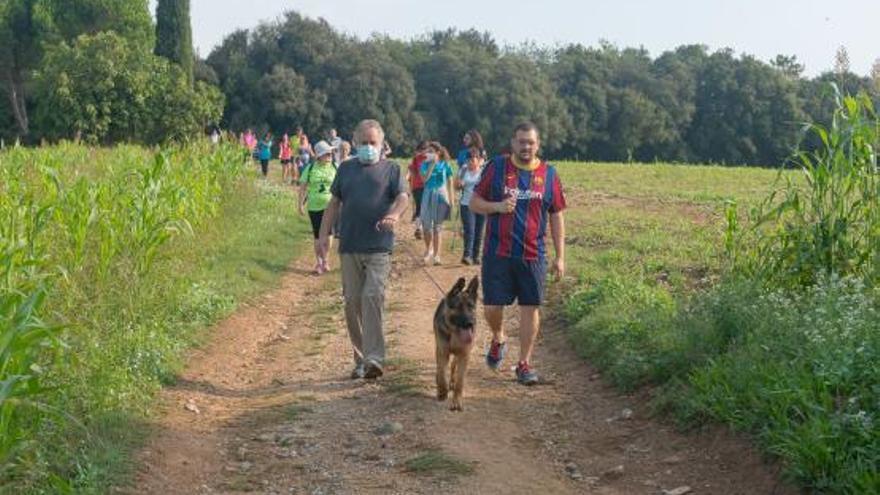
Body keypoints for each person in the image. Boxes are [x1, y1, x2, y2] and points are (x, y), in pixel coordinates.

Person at [469, 122, 566, 386]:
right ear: (513, 143)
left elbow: (556, 215)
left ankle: (524, 363)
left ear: (538, 145)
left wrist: (560, 257)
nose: (526, 147)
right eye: (521, 142)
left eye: (530, 143)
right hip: (497, 251)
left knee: (530, 307)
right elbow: (474, 203)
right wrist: (497, 206)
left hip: (533, 254)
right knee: (491, 306)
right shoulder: (497, 168)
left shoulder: (549, 175)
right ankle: (499, 337)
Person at [318, 119, 409, 380]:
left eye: (373, 143)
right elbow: (334, 203)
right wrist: (323, 234)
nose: (369, 147)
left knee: (372, 296)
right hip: (350, 245)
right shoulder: (345, 169)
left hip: (379, 246)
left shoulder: (391, 169)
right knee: (352, 301)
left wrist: (394, 215)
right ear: (355, 143)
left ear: (382, 145)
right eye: (364, 143)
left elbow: (403, 197)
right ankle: (360, 359)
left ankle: (374, 358)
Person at [299, 140, 338, 275]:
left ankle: (326, 260)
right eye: (327, 154)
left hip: (331, 206)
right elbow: (303, 187)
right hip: (314, 206)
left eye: (330, 153)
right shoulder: (310, 168)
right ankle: (319, 262)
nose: (329, 156)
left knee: (328, 234)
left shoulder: (335, 167)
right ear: (319, 156)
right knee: (317, 236)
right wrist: (300, 205)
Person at [419, 142, 455, 266]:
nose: (427, 154)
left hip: (441, 195)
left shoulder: (445, 165)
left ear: (438, 153)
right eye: (427, 151)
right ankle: (428, 248)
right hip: (428, 194)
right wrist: (432, 165)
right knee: (426, 226)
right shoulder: (424, 165)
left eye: (430, 151)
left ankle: (437, 256)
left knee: (438, 227)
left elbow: (450, 183)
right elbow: (424, 180)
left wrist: (451, 200)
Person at [455, 146, 486, 265]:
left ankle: (476, 256)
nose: (470, 163)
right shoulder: (463, 170)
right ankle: (467, 255)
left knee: (479, 231)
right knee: (469, 230)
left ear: (478, 160)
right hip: (466, 204)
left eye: (472, 160)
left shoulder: (484, 171)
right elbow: (456, 186)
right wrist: (459, 184)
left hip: (481, 204)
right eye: (468, 160)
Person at [407, 141, 430, 240]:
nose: (423, 152)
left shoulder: (431, 159)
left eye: (424, 149)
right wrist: (411, 187)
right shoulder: (416, 159)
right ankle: (418, 228)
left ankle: (426, 228)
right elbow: (412, 172)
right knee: (419, 208)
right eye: (421, 150)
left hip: (429, 186)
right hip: (418, 186)